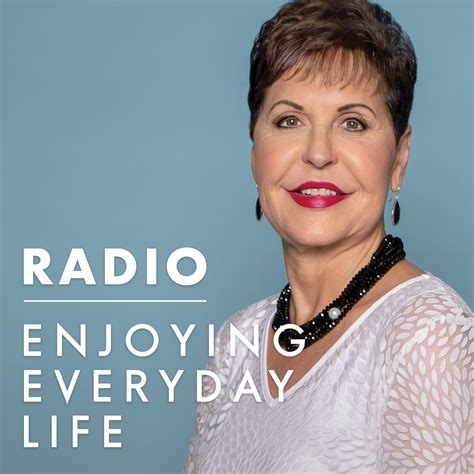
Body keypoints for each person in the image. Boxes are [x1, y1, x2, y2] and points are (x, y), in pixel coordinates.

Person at [185, 0, 473, 472]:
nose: (318, 153)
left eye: (353, 123)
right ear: (255, 152)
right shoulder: (237, 341)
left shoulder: (428, 336)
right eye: (289, 121)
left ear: (399, 157)